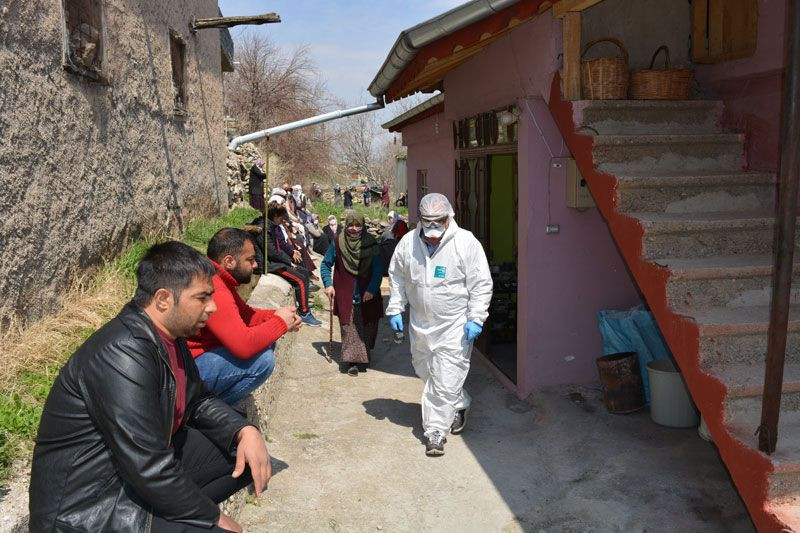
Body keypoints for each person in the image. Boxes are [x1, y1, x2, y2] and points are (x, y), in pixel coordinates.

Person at [29, 241, 271, 532]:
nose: (213, 306)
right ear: (163, 299)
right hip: (91, 507)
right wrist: (212, 517)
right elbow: (147, 463)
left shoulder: (170, 335)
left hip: (132, 475)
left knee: (245, 453)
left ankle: (178, 514)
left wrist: (243, 430)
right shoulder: (122, 352)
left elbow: (198, 399)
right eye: (202, 297)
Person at [386, 193, 493, 457]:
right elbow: (397, 276)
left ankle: (435, 432)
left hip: (454, 325)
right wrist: (395, 307)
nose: (433, 230)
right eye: (428, 222)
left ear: (448, 218)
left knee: (445, 377)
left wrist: (476, 317)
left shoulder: (466, 243)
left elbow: (481, 283)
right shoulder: (408, 243)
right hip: (421, 324)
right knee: (426, 371)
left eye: (439, 222)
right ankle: (460, 402)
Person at [188, 228, 302, 405]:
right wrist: (280, 323)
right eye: (250, 260)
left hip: (200, 360)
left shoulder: (218, 278)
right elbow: (244, 346)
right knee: (263, 361)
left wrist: (277, 315)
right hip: (190, 370)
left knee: (266, 340)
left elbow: (246, 315)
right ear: (229, 261)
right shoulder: (215, 289)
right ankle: (202, 410)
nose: (255, 265)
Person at [322, 212, 384, 376]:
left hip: (367, 293)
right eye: (350, 225)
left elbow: (378, 269)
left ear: (363, 226)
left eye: (357, 225)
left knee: (368, 325)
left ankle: (363, 355)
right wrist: (328, 284)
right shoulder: (338, 242)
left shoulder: (371, 243)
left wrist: (372, 289)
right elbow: (325, 264)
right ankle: (353, 363)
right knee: (349, 327)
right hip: (345, 293)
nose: (354, 229)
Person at [266, 205, 322, 327]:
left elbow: (280, 245)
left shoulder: (273, 227)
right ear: (275, 216)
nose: (283, 220)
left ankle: (303, 305)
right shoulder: (266, 230)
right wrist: (288, 260)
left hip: (278, 261)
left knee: (304, 273)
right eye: (281, 217)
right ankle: (304, 313)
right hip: (271, 264)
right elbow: (273, 252)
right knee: (300, 280)